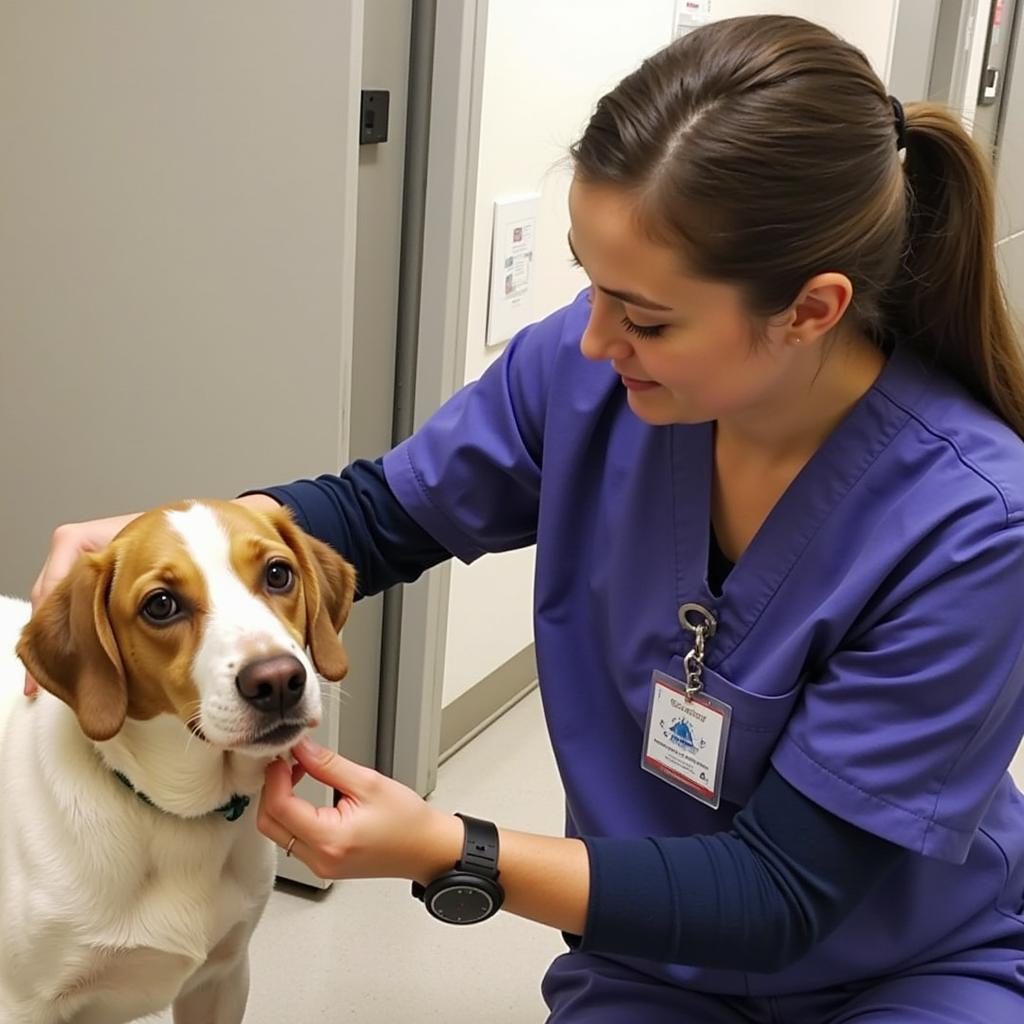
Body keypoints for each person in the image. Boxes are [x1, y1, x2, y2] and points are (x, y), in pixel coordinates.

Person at [25, 15, 1024, 1022]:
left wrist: (452, 851)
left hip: (903, 967)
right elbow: (376, 517)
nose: (591, 340)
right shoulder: (586, 377)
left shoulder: (974, 523)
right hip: (649, 949)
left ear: (811, 309)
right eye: (589, 284)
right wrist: (181, 539)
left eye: (644, 315)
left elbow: (781, 893)